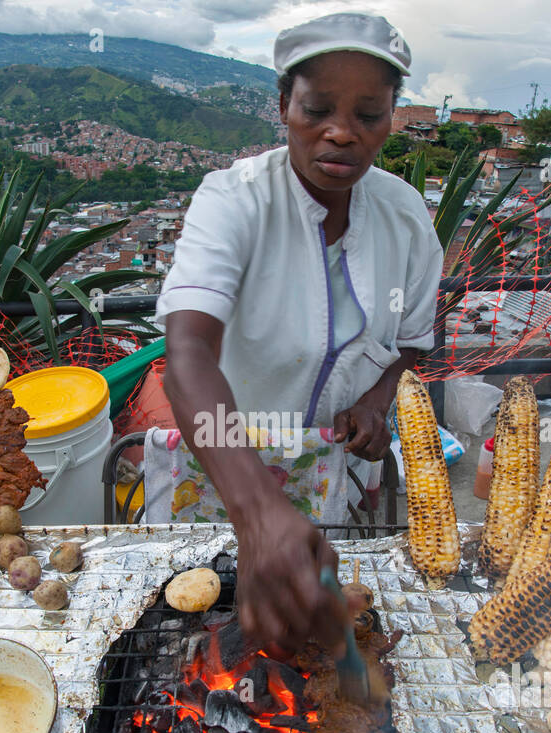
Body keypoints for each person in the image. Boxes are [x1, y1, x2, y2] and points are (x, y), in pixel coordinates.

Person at [157, 13, 443, 659]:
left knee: (309, 643)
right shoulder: (233, 202)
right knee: (208, 630)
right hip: (227, 467)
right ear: (283, 105)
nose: (341, 132)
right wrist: (257, 513)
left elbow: (416, 340)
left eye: (369, 114)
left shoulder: (405, 222)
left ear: (393, 117)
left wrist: (376, 400)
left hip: (333, 470)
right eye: (317, 109)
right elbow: (188, 356)